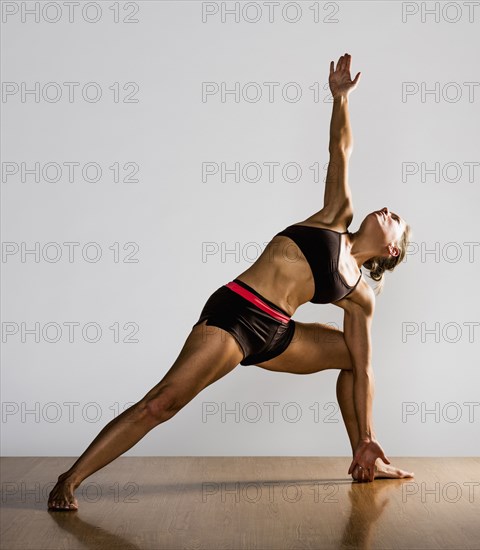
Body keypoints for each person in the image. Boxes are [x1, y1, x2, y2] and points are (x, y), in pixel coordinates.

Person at [48, 53, 414, 511]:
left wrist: (369, 436)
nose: (387, 212)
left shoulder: (361, 296)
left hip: (278, 333)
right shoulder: (335, 217)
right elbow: (339, 149)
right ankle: (70, 478)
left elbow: (363, 369)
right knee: (162, 404)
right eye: (389, 209)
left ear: (391, 251)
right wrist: (340, 99)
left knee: (354, 357)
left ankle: (364, 454)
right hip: (237, 315)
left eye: (396, 219)